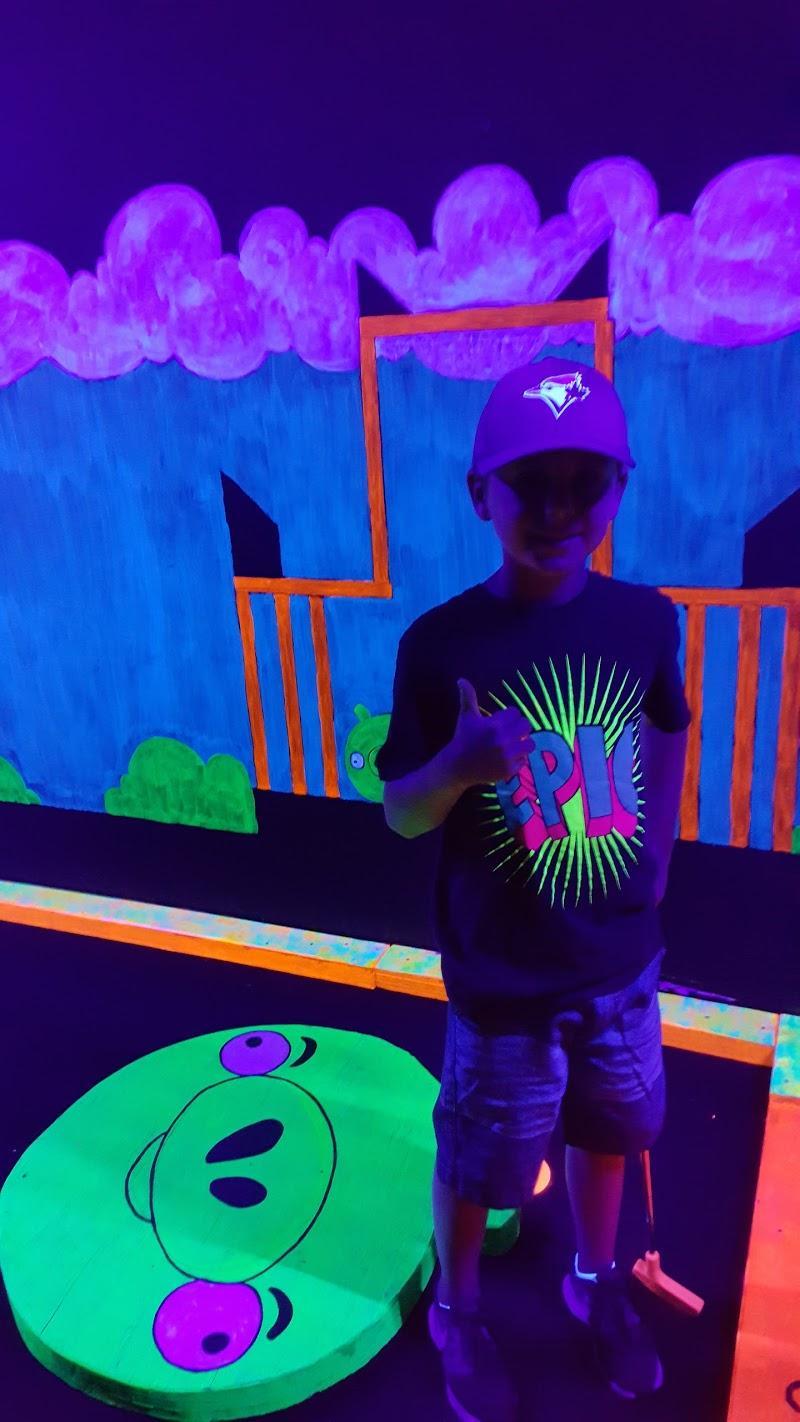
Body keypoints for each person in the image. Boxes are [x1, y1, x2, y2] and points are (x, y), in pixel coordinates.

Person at [375, 357, 691, 1422]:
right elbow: (400, 812)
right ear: (480, 494)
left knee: (610, 1132)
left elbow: (668, 725)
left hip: (619, 967)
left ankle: (594, 1279)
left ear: (619, 486)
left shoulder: (644, 621)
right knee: (480, 1162)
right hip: (502, 981)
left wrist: (659, 859)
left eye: (583, 483)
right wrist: (457, 768)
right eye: (531, 484)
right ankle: (457, 1310)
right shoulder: (439, 647)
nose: (559, 510)